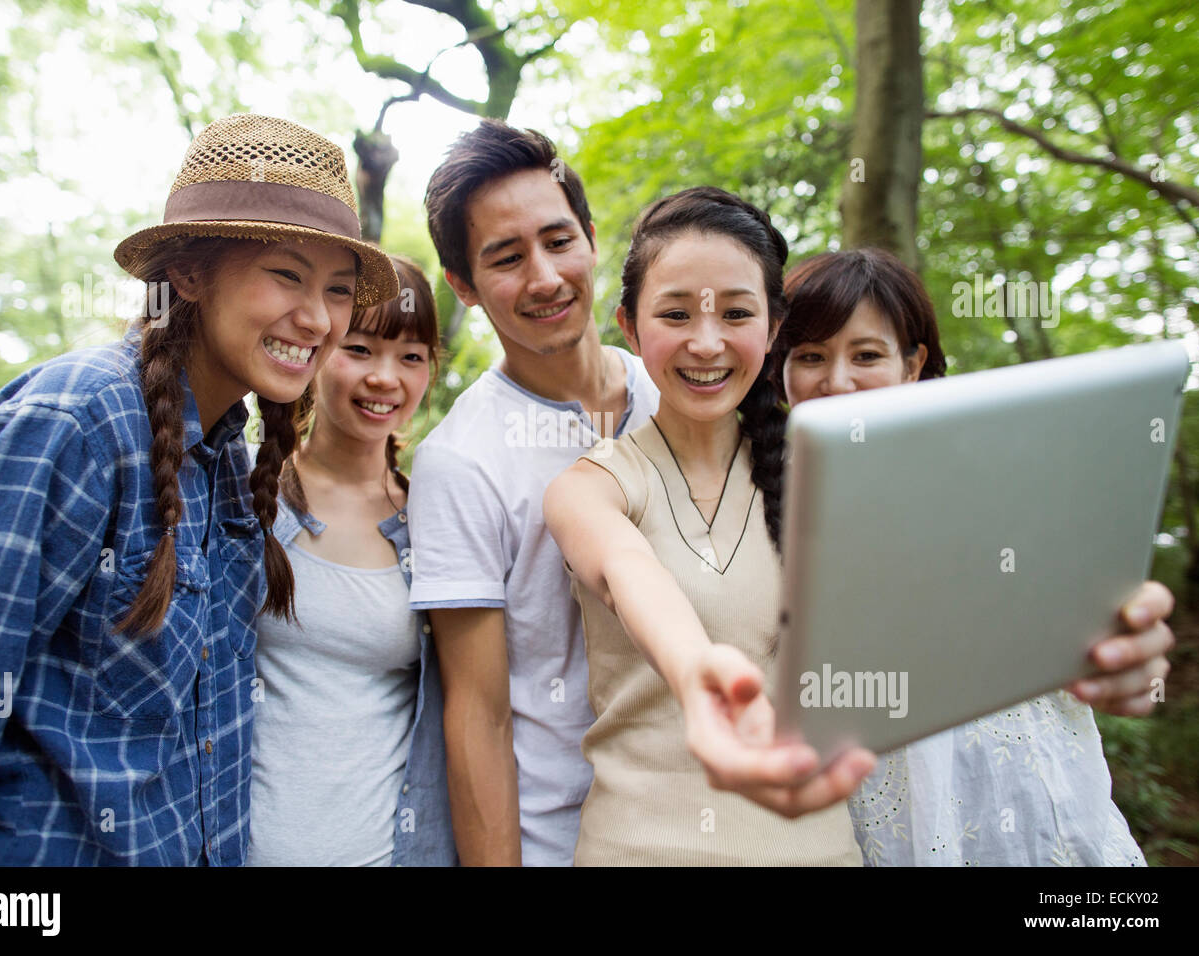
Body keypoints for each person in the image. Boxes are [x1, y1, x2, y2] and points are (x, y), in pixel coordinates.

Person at [0, 113, 398, 865]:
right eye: (285, 274)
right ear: (190, 275)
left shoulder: (228, 456)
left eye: (337, 290)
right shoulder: (73, 424)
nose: (318, 319)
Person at [773, 247, 1172, 865]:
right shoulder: (766, 497)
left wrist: (1132, 656)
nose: (838, 381)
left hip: (1033, 796)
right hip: (876, 818)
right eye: (810, 357)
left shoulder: (998, 464)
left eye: (867, 355)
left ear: (913, 364)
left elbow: (1101, 633)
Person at [545, 187, 873, 864]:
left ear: (774, 327)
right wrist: (698, 678)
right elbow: (629, 572)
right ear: (630, 330)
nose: (705, 342)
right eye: (674, 313)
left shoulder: (831, 479)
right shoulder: (591, 486)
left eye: (735, 313)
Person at [409, 120, 660, 865]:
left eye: (558, 241)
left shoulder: (675, 391)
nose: (545, 277)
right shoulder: (459, 461)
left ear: (589, 236)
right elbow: (478, 718)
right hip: (566, 842)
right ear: (464, 286)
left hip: (708, 818)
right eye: (506, 258)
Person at [248, 255, 456, 866]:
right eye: (360, 349)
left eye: (411, 357)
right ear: (320, 346)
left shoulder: (435, 522)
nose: (385, 378)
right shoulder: (245, 494)